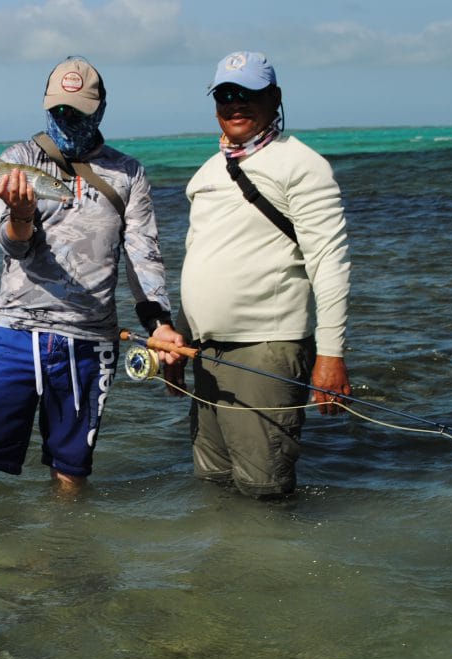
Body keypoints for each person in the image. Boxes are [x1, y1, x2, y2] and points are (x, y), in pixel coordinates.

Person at [0, 56, 184, 504]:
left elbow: (143, 254)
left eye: (76, 111)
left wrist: (160, 324)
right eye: (58, 110)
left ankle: (64, 563)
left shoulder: (128, 173)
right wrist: (21, 214)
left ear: (99, 109)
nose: (66, 119)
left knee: (70, 482)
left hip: (90, 342)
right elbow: (14, 246)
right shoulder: (18, 161)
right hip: (14, 334)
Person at [167, 51, 352, 498]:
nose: (237, 104)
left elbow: (330, 262)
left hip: (264, 351)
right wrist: (181, 341)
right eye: (226, 94)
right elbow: (200, 258)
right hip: (205, 354)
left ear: (275, 98)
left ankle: (276, 567)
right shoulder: (208, 171)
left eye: (249, 94)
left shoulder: (302, 165)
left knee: (264, 492)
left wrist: (330, 354)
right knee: (212, 484)